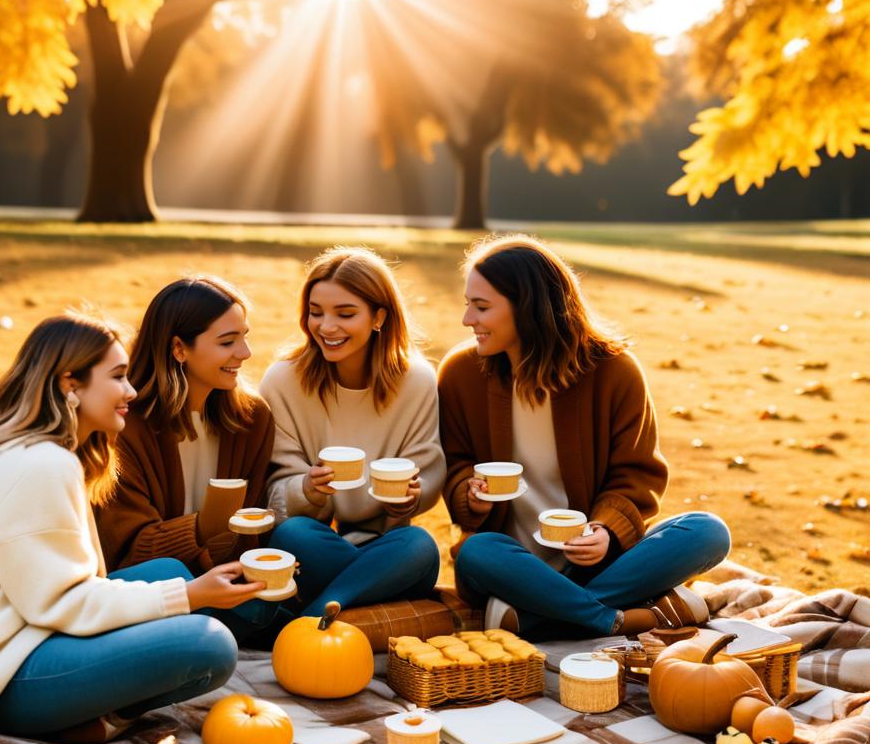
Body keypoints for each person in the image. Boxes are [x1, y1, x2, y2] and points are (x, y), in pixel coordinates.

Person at [0, 311, 244, 743]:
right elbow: (60, 602)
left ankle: (88, 716)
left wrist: (184, 590)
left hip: (8, 632)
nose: (131, 390)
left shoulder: (35, 450)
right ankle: (68, 719)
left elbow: (58, 591)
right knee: (209, 645)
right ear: (71, 385)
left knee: (169, 573)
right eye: (119, 377)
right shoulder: (42, 465)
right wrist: (193, 596)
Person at [439, 234, 731, 639]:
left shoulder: (614, 372)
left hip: (594, 563)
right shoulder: (460, 373)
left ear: (528, 309)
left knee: (707, 531)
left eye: (481, 307)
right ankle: (612, 619)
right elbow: (453, 464)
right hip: (508, 565)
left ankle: (542, 618)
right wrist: (468, 493)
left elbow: (636, 476)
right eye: (468, 304)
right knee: (475, 551)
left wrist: (605, 532)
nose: (468, 319)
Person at [261, 247, 443, 616]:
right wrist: (306, 489)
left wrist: (406, 500)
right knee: (291, 534)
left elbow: (427, 467)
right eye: (316, 313)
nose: (326, 327)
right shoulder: (284, 381)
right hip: (318, 545)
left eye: (345, 314)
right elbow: (274, 490)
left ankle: (307, 617)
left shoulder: (417, 381)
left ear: (379, 317)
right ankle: (356, 603)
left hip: (388, 546)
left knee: (419, 545)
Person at [96, 275, 279, 643]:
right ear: (179, 349)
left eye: (244, 336)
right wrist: (202, 529)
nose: (244, 353)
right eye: (228, 341)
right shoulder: (123, 426)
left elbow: (251, 528)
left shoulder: (253, 419)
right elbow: (130, 556)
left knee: (267, 598)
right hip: (147, 588)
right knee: (170, 569)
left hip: (224, 580)